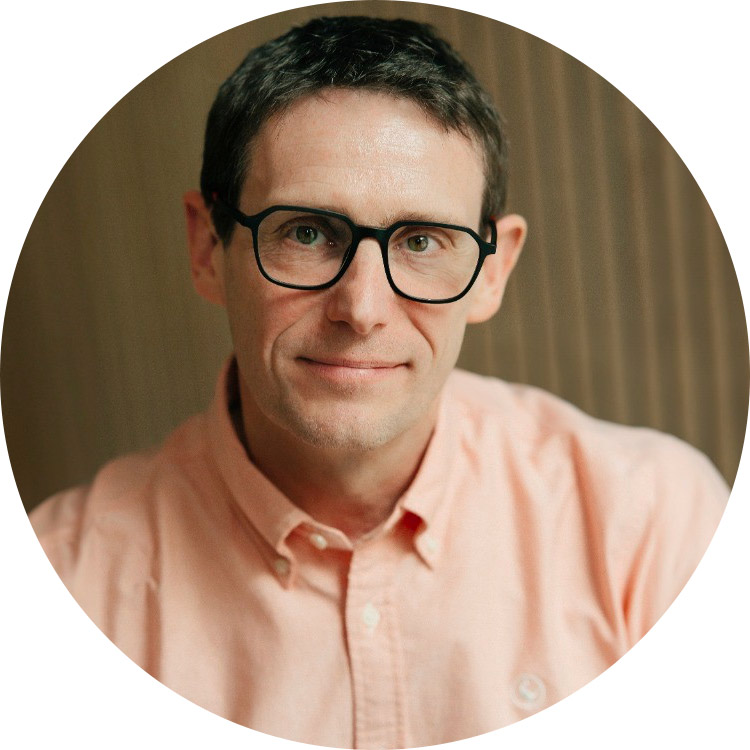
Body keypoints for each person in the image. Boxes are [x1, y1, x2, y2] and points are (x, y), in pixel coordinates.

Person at [29, 15, 728, 748]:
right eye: (306, 232)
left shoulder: (654, 526)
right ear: (208, 246)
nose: (361, 310)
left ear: (492, 271)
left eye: (421, 240)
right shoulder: (63, 587)